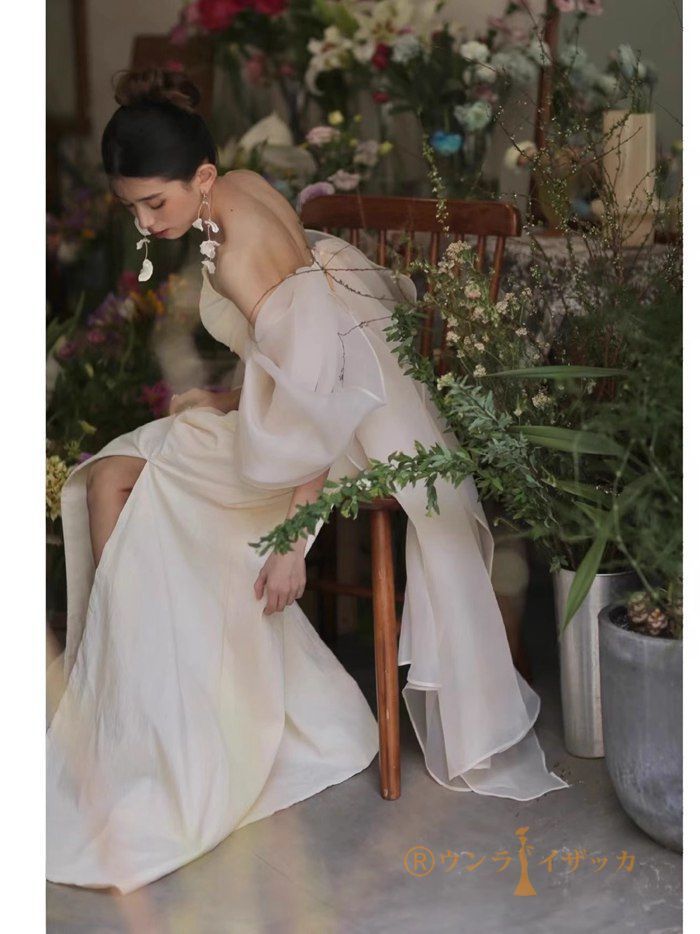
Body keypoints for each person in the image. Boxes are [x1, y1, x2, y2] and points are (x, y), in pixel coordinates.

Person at [46, 68, 570, 895]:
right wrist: (224, 399)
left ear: (201, 177)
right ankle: (139, 711)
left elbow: (324, 391)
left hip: (330, 445)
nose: (146, 223)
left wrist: (295, 540)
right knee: (113, 474)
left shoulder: (238, 253)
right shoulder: (238, 188)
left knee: (113, 483)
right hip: (304, 422)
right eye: (133, 209)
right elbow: (296, 355)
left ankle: (159, 726)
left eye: (154, 204)